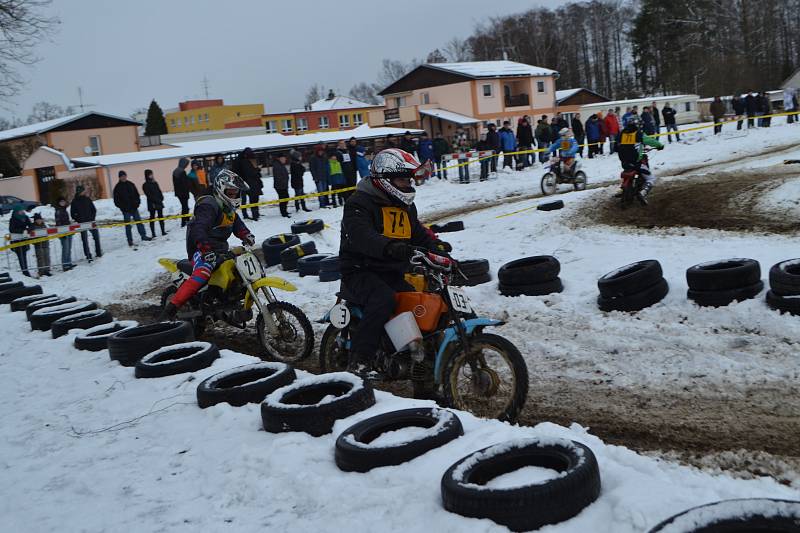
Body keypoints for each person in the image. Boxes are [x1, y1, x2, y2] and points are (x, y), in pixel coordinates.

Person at [338, 148, 446, 376]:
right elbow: (362, 237)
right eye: (401, 179)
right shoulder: (358, 203)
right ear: (384, 179)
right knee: (383, 299)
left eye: (409, 179)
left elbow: (417, 232)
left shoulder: (404, 205)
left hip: (392, 271)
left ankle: (422, 377)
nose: (407, 184)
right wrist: (390, 247)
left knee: (421, 305)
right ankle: (359, 362)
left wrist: (438, 249)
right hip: (360, 271)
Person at [160, 169, 254, 320]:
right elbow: (199, 228)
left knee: (237, 269)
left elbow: (236, 224)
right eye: (230, 193)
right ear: (221, 189)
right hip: (200, 248)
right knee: (202, 273)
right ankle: (170, 310)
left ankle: (225, 300)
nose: (233, 196)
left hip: (219, 249)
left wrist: (246, 234)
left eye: (235, 193)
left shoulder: (227, 208)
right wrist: (205, 249)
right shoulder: (209, 205)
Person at [616, 118, 664, 204]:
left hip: (624, 162)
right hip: (636, 162)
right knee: (651, 178)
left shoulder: (621, 134)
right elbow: (651, 141)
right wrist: (660, 145)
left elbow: (616, 147)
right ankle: (643, 193)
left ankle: (627, 189)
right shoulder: (638, 134)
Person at [113, 170, 151, 247]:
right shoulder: (117, 188)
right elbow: (116, 201)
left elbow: (137, 195)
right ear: (119, 177)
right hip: (126, 210)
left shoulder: (131, 184)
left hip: (134, 208)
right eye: (122, 176)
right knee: (128, 225)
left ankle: (143, 236)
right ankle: (130, 240)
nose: (123, 177)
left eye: (124, 176)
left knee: (139, 222)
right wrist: (123, 207)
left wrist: (137, 203)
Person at [70, 185, 102, 261]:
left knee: (96, 237)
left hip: (91, 222)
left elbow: (93, 210)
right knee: (85, 240)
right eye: (83, 191)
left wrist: (92, 218)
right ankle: (88, 255)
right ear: (79, 191)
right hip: (82, 223)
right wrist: (79, 219)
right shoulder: (74, 201)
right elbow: (73, 214)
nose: (85, 192)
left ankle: (98, 252)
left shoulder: (87, 199)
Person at [232, 148, 263, 221]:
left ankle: (249, 214)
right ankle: (253, 215)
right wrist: (257, 169)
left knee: (245, 200)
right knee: (251, 199)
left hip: (243, 184)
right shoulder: (245, 162)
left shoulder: (240, 160)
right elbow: (250, 173)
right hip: (248, 184)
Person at [9, 205, 33, 277]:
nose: (22, 212)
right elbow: (12, 229)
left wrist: (28, 230)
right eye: (20, 211)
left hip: (24, 240)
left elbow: (31, 225)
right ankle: (24, 271)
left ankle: (26, 270)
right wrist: (22, 231)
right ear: (16, 211)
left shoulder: (25, 217)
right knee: (21, 256)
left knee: (24, 255)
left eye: (22, 210)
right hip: (17, 241)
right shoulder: (13, 219)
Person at [143, 169, 167, 237]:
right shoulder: (145, 185)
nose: (151, 175)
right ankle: (153, 233)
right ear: (147, 175)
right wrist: (156, 200)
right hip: (152, 203)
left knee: (161, 217)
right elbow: (149, 195)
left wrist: (161, 197)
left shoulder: (155, 183)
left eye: (151, 174)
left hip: (159, 202)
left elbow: (159, 191)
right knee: (152, 217)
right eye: (150, 174)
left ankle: (163, 231)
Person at [54, 196, 75, 271]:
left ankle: (69, 263)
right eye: (61, 202)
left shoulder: (64, 210)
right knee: (65, 249)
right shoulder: (58, 211)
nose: (63, 203)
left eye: (64, 201)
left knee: (69, 248)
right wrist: (61, 234)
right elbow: (58, 222)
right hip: (63, 232)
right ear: (59, 203)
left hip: (68, 231)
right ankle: (65, 265)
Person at [309, 144, 331, 208]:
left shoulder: (324, 157)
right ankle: (322, 204)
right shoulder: (313, 158)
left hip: (324, 177)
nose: (321, 152)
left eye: (322, 151)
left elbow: (327, 167)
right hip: (318, 178)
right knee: (320, 192)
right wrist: (315, 177)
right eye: (320, 151)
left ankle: (325, 203)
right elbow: (312, 169)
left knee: (324, 191)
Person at [172, 158, 191, 227]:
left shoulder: (175, 171)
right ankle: (184, 221)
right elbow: (184, 184)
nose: (186, 166)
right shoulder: (182, 172)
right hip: (183, 193)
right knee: (185, 207)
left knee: (184, 207)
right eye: (186, 164)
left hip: (179, 193)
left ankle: (186, 220)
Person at [271, 153, 291, 218]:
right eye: (283, 158)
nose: (285, 159)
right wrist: (284, 182)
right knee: (283, 199)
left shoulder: (280, 164)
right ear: (279, 158)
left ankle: (284, 211)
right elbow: (278, 177)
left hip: (283, 185)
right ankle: (283, 213)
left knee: (285, 198)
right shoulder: (277, 165)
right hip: (280, 186)